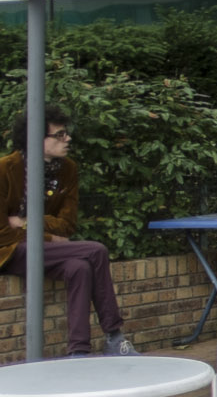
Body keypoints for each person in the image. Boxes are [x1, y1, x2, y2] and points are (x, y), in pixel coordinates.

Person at [1, 108, 134, 357]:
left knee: (79, 268)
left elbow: (68, 225)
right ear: (36, 139)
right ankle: (115, 337)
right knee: (95, 250)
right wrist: (50, 236)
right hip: (8, 252)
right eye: (59, 135)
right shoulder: (5, 169)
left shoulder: (68, 169)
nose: (68, 139)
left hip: (42, 250)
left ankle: (78, 352)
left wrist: (27, 222)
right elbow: (3, 234)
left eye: (67, 133)